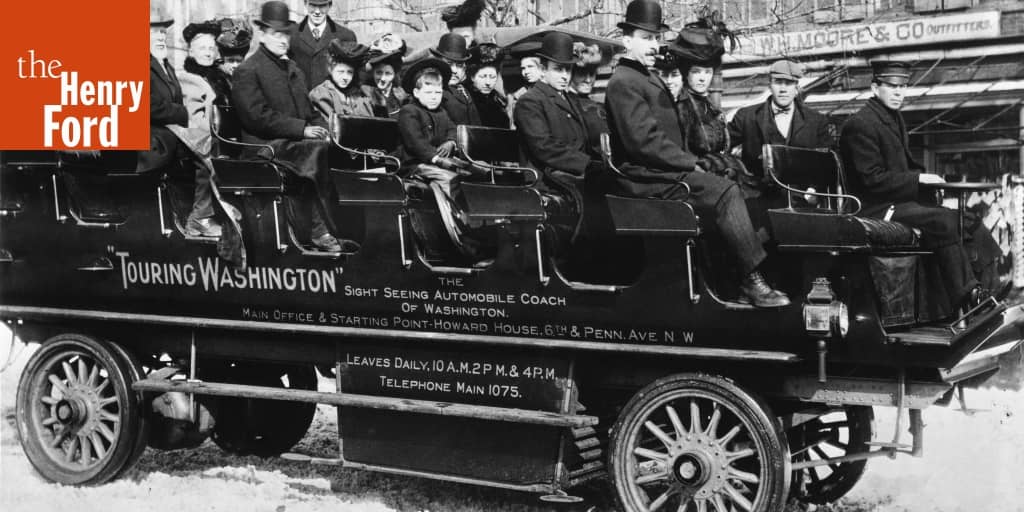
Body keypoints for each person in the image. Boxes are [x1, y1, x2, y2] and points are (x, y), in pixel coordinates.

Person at [604, 0, 789, 307]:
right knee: (725, 192)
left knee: (748, 190)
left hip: (662, 170)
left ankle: (732, 276)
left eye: (656, 37)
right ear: (627, 40)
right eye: (646, 38)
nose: (654, 45)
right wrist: (693, 163)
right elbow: (643, 143)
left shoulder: (645, 77)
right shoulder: (624, 82)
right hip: (645, 178)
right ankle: (750, 281)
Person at [839, 60, 992, 316]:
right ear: (875, 87)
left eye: (903, 86)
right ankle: (967, 296)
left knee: (969, 219)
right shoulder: (861, 124)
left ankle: (989, 283)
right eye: (891, 86)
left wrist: (926, 177)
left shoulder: (892, 118)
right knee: (945, 221)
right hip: (875, 207)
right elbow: (872, 180)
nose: (899, 92)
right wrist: (918, 180)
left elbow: (905, 166)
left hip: (899, 201)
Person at [233, 1, 357, 253]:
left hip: (291, 142)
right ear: (263, 34)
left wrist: (329, 131)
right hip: (262, 146)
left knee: (334, 149)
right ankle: (320, 230)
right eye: (276, 34)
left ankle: (334, 228)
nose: (282, 40)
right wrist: (302, 130)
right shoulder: (248, 69)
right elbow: (256, 117)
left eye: (286, 34)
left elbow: (309, 112)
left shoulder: (292, 69)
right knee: (316, 152)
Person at [141, 6, 222, 238]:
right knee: (204, 144)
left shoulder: (162, 65)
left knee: (208, 142)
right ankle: (200, 217)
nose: (160, 36)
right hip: (148, 142)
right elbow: (147, 105)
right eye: (153, 32)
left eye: (162, 32)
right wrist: (183, 113)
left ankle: (205, 211)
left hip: (164, 135)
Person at [396, 58, 479, 256]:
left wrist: (451, 141)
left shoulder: (441, 111)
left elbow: (452, 128)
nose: (434, 97)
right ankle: (458, 227)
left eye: (438, 92)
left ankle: (478, 222)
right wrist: (438, 159)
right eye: (429, 92)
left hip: (440, 161)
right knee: (449, 178)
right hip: (416, 164)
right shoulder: (409, 112)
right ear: (416, 93)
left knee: (477, 170)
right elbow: (415, 143)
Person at [728, 59, 833, 181]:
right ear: (770, 86)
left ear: (797, 88)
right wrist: (736, 173)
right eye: (778, 82)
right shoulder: (746, 117)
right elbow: (722, 145)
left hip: (802, 195)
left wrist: (814, 191)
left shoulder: (816, 121)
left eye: (788, 83)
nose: (783, 89)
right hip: (758, 194)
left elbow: (826, 163)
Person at [289, 0, 357, 92]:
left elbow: (354, 77)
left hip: (333, 103)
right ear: (305, 4)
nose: (317, 12)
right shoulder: (292, 34)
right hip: (302, 102)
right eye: (313, 5)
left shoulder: (346, 36)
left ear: (329, 5)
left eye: (322, 6)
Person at [309, 40, 375, 121]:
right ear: (330, 69)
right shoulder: (321, 94)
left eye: (350, 72)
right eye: (341, 72)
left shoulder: (359, 95)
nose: (345, 77)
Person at [431, 33, 481, 126]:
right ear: (438, 64)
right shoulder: (434, 92)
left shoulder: (464, 90)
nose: (454, 70)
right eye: (449, 64)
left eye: (459, 65)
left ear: (465, 68)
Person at [569, 42, 607, 159]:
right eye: (582, 74)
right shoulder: (565, 104)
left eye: (592, 73)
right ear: (571, 73)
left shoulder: (597, 106)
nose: (588, 79)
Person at [181, 21, 231, 106]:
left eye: (211, 48)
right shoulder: (188, 79)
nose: (208, 54)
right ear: (191, 52)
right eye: (202, 48)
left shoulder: (221, 77)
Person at [363, 34, 408, 118]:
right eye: (379, 73)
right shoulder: (365, 95)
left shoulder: (403, 97)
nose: (382, 78)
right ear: (373, 72)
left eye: (388, 74)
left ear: (394, 74)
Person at [465, 43, 509, 128]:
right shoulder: (466, 99)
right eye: (483, 76)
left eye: (492, 77)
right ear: (472, 77)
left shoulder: (498, 100)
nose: (488, 82)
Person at [506, 52, 543, 128]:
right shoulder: (518, 95)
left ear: (542, 68)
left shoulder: (553, 90)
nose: (526, 72)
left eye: (530, 67)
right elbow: (513, 126)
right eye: (523, 68)